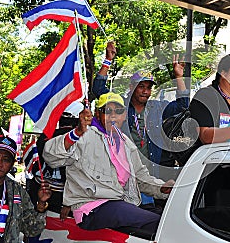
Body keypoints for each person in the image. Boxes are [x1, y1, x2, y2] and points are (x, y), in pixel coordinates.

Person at [42, 92, 175, 235]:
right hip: (92, 208)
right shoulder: (86, 136)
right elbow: (50, 156)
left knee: (169, 219)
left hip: (121, 203)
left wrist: (161, 188)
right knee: (160, 225)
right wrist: (77, 132)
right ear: (98, 115)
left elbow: (140, 176)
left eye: (118, 111)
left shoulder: (126, 143)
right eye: (107, 111)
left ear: (124, 116)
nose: (113, 115)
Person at [92, 42, 189, 168]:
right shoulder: (121, 105)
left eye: (148, 88)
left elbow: (183, 105)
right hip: (124, 167)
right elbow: (98, 89)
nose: (145, 91)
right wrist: (108, 60)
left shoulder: (157, 108)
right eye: (141, 87)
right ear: (131, 87)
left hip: (151, 168)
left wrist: (179, 77)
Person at [0, 136, 51, 242]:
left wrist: (41, 204)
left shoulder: (18, 192)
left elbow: (31, 230)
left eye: (6, 159)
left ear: (11, 165)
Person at [26, 101, 83, 220]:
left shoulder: (45, 136)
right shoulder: (77, 140)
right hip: (60, 198)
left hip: (40, 190)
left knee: (33, 223)